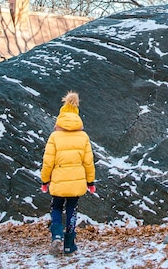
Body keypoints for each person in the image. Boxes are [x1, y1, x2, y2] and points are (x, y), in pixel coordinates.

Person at [40, 91, 95, 256]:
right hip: (77, 181)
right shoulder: (83, 136)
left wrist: (45, 180)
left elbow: (48, 161)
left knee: (56, 206)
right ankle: (69, 245)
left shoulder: (55, 136)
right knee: (72, 208)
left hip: (58, 179)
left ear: (60, 118)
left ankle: (56, 235)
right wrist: (90, 182)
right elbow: (88, 162)